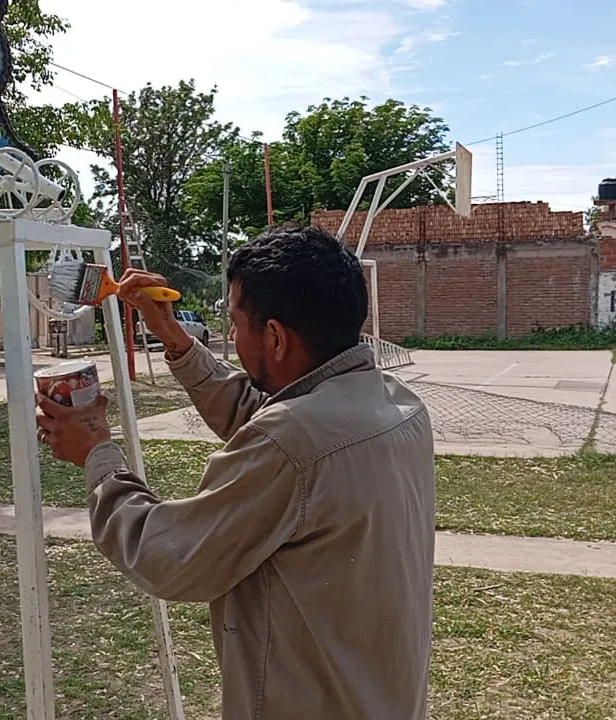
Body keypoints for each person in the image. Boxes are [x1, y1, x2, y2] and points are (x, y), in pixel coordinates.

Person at [35, 224, 436, 719]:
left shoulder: (293, 443)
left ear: (274, 337)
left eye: (235, 323)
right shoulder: (398, 404)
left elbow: (167, 556)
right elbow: (266, 416)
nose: (230, 336)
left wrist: (97, 452)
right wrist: (174, 337)